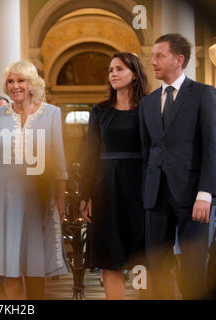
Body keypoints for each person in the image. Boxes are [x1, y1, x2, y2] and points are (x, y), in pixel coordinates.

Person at [0, 60, 69, 299]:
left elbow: (59, 165)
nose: (15, 86)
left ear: (32, 83)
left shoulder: (52, 113)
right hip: (4, 198)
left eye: (20, 81)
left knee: (35, 267)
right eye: (10, 81)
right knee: (10, 267)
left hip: (38, 198)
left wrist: (59, 202)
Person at [140, 33, 216, 299]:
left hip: (194, 197)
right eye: (152, 57)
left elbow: (212, 146)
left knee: (194, 267)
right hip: (156, 197)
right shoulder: (148, 102)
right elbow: (147, 152)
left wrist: (206, 193)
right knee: (157, 265)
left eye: (159, 56)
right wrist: (145, 194)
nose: (153, 62)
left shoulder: (204, 94)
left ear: (179, 59)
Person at [80, 52, 150, 299]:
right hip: (106, 190)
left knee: (144, 259)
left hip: (142, 189)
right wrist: (85, 195)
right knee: (110, 259)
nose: (114, 74)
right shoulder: (99, 111)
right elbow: (90, 154)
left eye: (119, 69)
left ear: (134, 73)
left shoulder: (150, 109)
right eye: (111, 70)